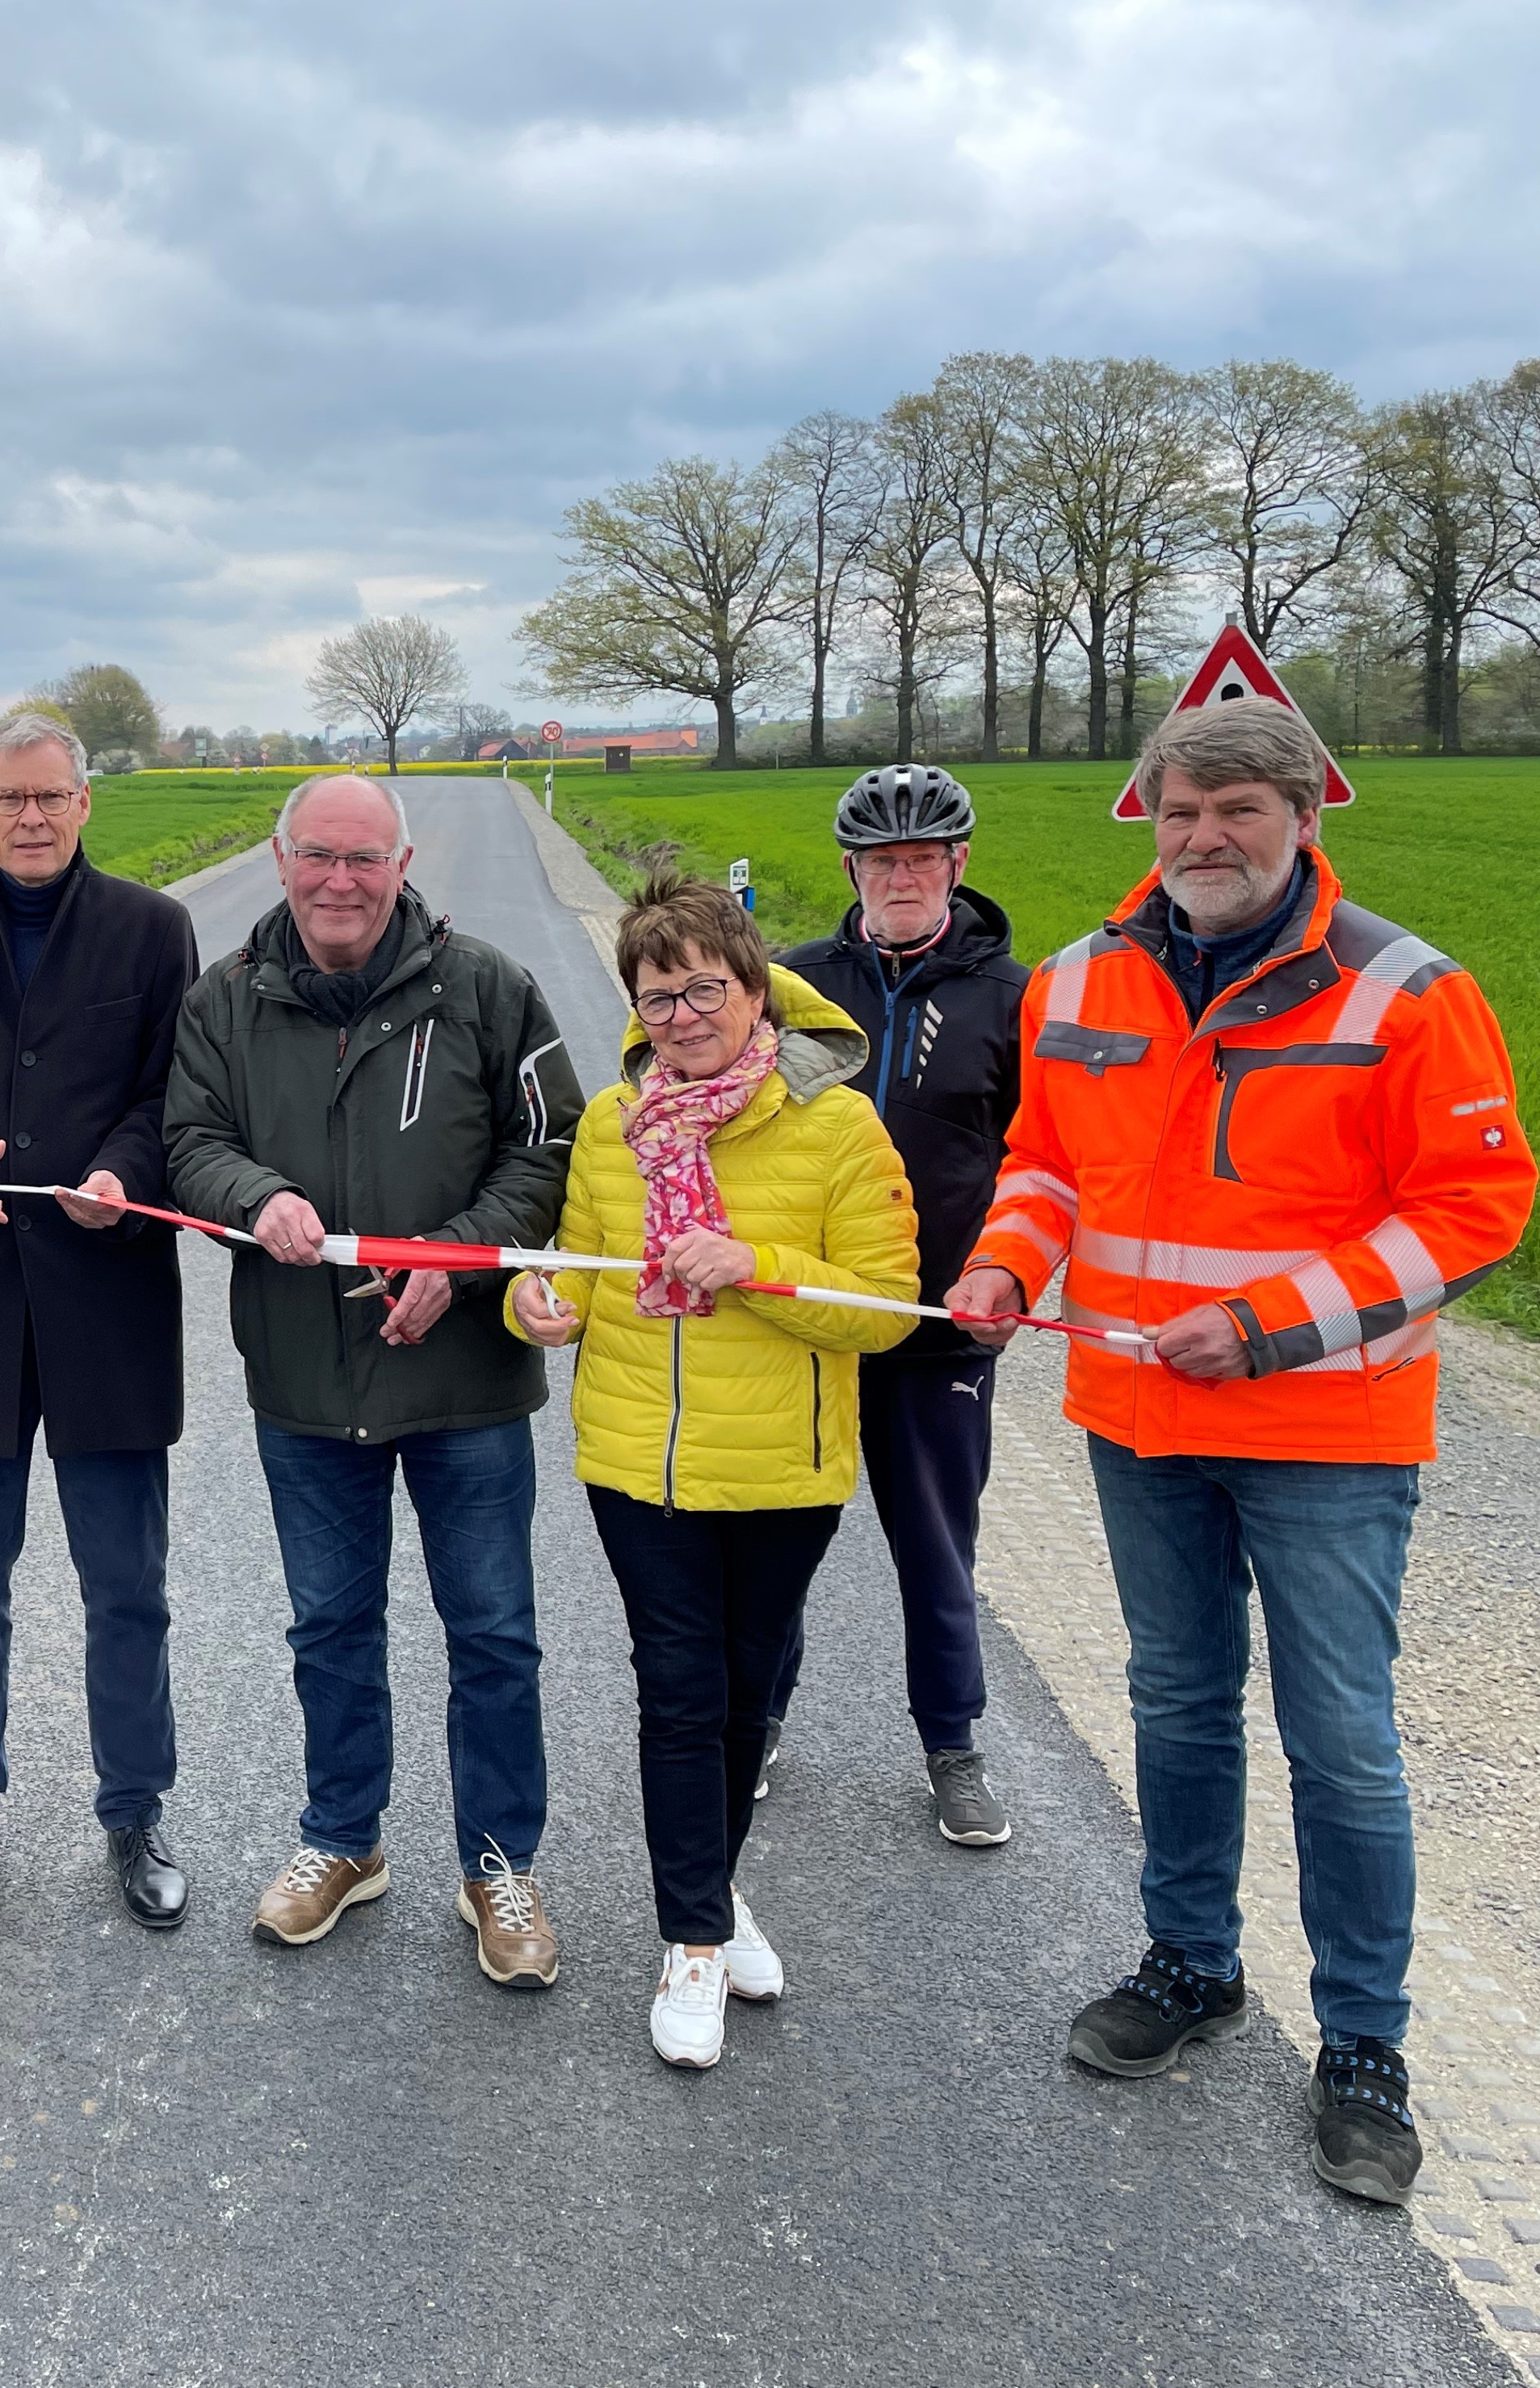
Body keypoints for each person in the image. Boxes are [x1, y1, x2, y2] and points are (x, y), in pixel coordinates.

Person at [947, 698, 1532, 2205]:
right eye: (1179, 807)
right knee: (1179, 1703)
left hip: (1325, 1427)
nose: (1204, 835)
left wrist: (1269, 1321)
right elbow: (1046, 1162)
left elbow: (1473, 1205)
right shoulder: (1075, 974)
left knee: (1338, 1738)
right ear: (1146, 811)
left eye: (1237, 810)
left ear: (1300, 819)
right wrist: (1010, 1265)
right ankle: (1191, 1960)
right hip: (1137, 1419)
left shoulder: (1407, 989)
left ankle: (1360, 2043)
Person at [163, 771, 583, 1982]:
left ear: (404, 865)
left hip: (466, 1377)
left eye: (365, 859)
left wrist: (457, 1258)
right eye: (318, 858)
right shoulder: (224, 1002)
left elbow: (546, 1146)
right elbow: (190, 1141)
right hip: (305, 1374)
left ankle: (499, 1865)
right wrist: (259, 1198)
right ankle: (343, 1842)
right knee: (330, 1628)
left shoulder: (489, 988)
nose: (340, 882)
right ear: (282, 860)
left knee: (494, 1634)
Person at [508, 869, 918, 2071]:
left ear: (755, 989)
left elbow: (886, 1311)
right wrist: (534, 1307)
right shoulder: (608, 1123)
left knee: (748, 1695)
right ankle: (691, 1940)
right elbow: (574, 1268)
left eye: (704, 989)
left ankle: (717, 1888)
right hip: (636, 1460)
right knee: (679, 1691)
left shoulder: (835, 1123)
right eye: (657, 995)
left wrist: (757, 1262)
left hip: (783, 1471)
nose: (682, 1016)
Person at [0, 711, 199, 1929]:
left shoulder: (153, 931)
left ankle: (134, 1812)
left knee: (127, 1582)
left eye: (49, 797)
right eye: (8, 798)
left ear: (84, 803)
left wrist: (123, 1172)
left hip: (107, 1293)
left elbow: (177, 1090)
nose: (29, 817)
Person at [762, 764, 1028, 1849]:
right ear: (851, 869)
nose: (902, 876)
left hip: (937, 1329)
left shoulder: (1017, 999)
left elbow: (1043, 1165)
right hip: (810, 1320)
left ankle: (952, 1745)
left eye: (923, 858)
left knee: (936, 1544)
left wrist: (1011, 1275)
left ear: (959, 866)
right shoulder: (792, 984)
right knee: (777, 1539)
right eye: (883, 860)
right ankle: (760, 1720)